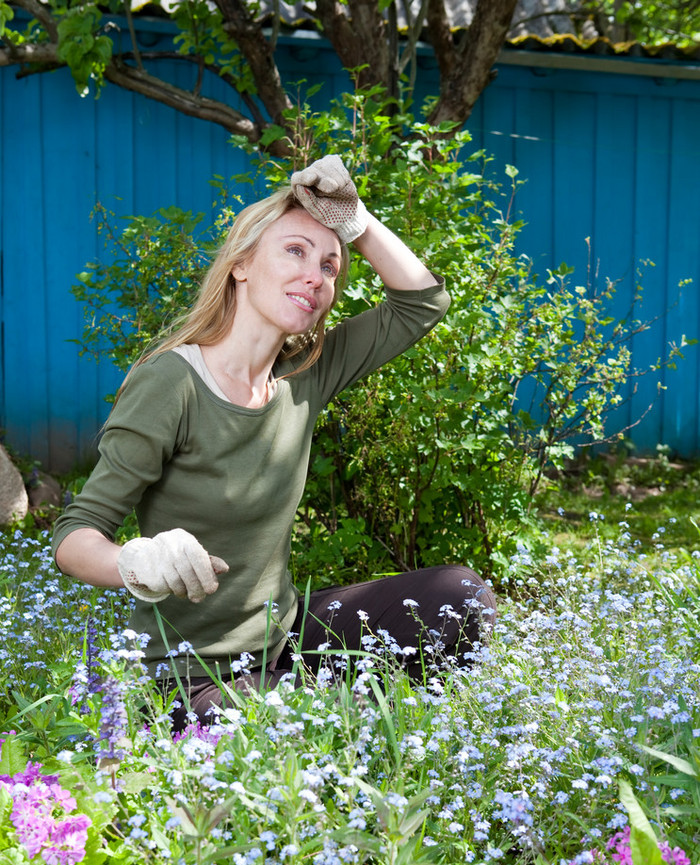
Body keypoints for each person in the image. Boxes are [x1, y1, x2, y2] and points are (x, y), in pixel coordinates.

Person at [52, 155, 497, 730]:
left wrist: (355, 220)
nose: (316, 276)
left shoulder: (306, 371)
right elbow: (75, 536)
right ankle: (339, 714)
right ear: (241, 265)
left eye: (329, 265)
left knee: (460, 596)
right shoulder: (172, 383)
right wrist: (138, 561)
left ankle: (359, 711)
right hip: (190, 677)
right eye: (295, 251)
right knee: (338, 723)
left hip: (282, 640)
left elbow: (422, 303)